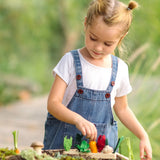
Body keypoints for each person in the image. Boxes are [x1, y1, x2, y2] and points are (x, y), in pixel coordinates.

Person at [43, 0, 152, 159]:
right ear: (86, 24)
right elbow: (53, 104)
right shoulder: (70, 61)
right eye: (93, 38)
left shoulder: (120, 69)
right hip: (61, 152)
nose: (98, 48)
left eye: (108, 43)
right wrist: (77, 119)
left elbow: (122, 109)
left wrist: (143, 135)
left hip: (101, 154)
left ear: (121, 38)